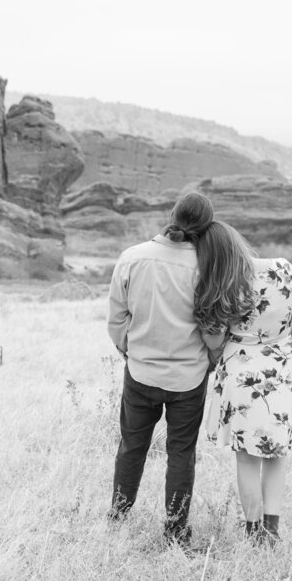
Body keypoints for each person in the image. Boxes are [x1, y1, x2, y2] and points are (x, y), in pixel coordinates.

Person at [106, 191, 219, 547]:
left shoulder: (132, 258)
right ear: (206, 227)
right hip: (189, 378)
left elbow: (116, 319)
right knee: (181, 453)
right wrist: (211, 360)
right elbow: (212, 328)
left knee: (131, 447)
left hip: (140, 373)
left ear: (172, 215)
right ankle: (175, 530)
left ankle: (119, 515)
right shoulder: (206, 268)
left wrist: (131, 351)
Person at [195, 221, 292, 546]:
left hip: (239, 374)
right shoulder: (285, 269)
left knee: (246, 457)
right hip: (281, 369)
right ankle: (272, 529)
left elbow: (215, 338)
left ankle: (252, 530)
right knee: (277, 453)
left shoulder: (220, 281)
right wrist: (281, 357)